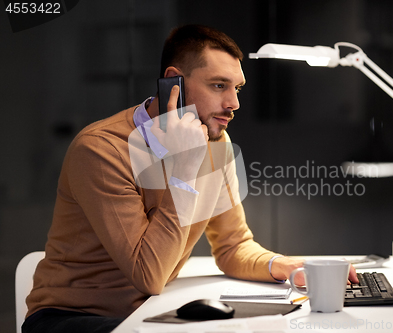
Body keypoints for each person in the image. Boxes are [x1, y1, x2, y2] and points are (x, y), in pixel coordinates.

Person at [22, 24, 358, 333]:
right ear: (175, 83)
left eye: (237, 88)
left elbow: (233, 246)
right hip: (71, 318)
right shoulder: (100, 151)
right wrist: (185, 169)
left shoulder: (216, 143)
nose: (233, 103)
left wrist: (284, 265)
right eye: (218, 86)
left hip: (150, 312)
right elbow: (148, 275)